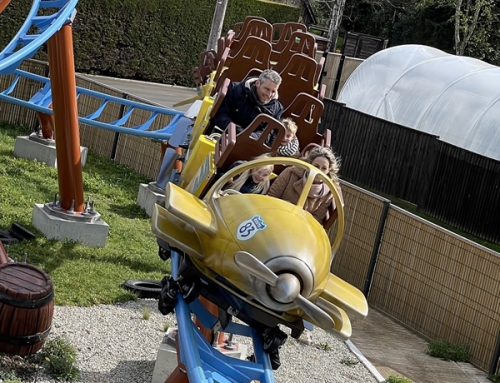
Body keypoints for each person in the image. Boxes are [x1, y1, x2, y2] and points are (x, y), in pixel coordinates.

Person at [267, 146, 340, 223]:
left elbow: (316, 219)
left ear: (328, 171)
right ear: (310, 164)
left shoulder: (328, 193)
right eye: (316, 166)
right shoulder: (290, 173)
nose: (319, 171)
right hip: (276, 216)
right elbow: (272, 195)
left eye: (324, 168)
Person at [210, 69, 284, 134]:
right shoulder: (234, 90)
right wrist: (237, 130)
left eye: (273, 91)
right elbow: (219, 115)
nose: (269, 95)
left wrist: (251, 137)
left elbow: (269, 134)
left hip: (249, 144)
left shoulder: (277, 109)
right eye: (267, 89)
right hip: (222, 132)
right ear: (257, 83)